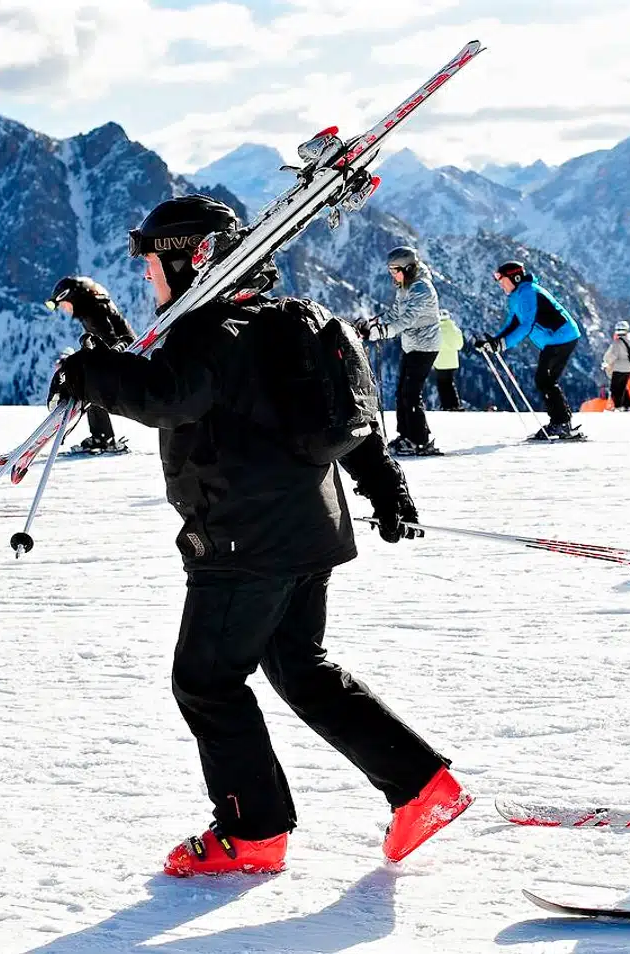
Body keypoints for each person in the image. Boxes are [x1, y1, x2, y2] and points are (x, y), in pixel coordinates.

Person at [47, 195, 470, 877]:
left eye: (153, 264)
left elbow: (166, 395)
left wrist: (89, 372)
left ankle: (251, 832)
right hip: (310, 532)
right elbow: (349, 420)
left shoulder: (209, 332)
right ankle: (423, 787)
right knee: (301, 669)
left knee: (207, 681)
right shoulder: (283, 321)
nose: (147, 278)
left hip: (244, 544)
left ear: (190, 259)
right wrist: (384, 488)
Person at [476, 261, 583, 440]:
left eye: (502, 279)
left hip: (562, 337)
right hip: (554, 340)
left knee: (545, 379)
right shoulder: (517, 295)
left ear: (514, 277)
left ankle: (562, 423)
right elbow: (513, 322)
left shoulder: (528, 292)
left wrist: (501, 344)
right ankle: (561, 422)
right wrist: (496, 341)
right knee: (545, 380)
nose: (499, 283)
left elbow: (526, 325)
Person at [363, 246, 443, 456]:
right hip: (412, 345)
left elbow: (407, 320)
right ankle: (406, 436)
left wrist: (382, 332)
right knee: (401, 392)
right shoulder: (405, 286)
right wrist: (376, 323)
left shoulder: (422, 289)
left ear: (407, 268)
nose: (392, 274)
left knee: (411, 392)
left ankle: (420, 440)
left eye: (395, 270)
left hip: (425, 347)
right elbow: (396, 313)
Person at [45, 276, 135, 453]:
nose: (64, 309)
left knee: (89, 385)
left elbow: (109, 342)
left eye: (63, 304)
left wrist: (77, 363)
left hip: (125, 359)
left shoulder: (93, 311)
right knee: (88, 382)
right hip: (127, 355)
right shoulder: (93, 307)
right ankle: (102, 437)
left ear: (72, 297)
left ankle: (102, 438)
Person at [601, 319, 630, 410]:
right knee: (623, 387)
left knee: (615, 388)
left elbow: (613, 356)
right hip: (628, 368)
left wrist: (606, 364)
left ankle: (619, 406)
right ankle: (628, 405)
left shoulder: (617, 342)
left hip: (618, 368)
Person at [433, 309, 464, 411]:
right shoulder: (455, 330)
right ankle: (455, 404)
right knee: (450, 383)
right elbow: (460, 345)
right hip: (452, 362)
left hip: (440, 361)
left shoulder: (436, 330)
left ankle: (446, 405)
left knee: (442, 384)